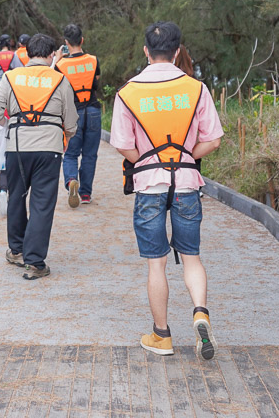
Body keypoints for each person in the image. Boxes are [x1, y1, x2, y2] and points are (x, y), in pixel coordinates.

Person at [110, 21, 223, 360]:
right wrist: (186, 157)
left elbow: (121, 144)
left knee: (156, 264)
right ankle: (200, 312)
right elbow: (213, 140)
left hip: (148, 186)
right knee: (192, 257)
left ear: (146, 51)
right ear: (177, 51)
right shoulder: (196, 89)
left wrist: (146, 160)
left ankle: (162, 336)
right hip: (188, 183)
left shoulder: (128, 92)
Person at [0, 34, 78, 280]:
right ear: (50, 56)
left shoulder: (11, 77)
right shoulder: (59, 79)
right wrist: (63, 132)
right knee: (42, 203)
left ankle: (16, 251)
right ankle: (35, 262)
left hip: (16, 147)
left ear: (27, 54)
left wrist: (11, 123)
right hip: (49, 149)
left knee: (17, 197)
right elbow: (71, 122)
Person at [55, 23, 102, 207]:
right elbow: (96, 83)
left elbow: (56, 89)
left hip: (72, 112)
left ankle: (71, 180)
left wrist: (58, 59)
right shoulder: (93, 60)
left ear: (66, 42)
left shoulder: (61, 65)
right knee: (90, 155)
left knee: (71, 154)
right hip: (93, 110)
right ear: (82, 40)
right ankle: (85, 194)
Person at [0, 35, 24, 215]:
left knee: (2, 161)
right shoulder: (14, 55)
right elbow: (20, 71)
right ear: (9, 43)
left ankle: (2, 190)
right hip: (13, 90)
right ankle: (15, 197)